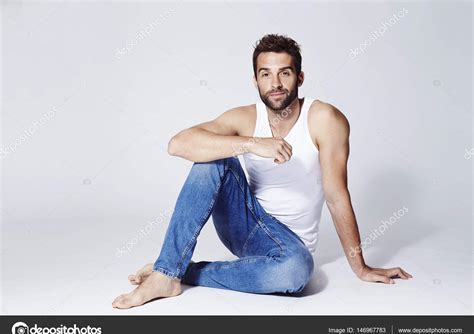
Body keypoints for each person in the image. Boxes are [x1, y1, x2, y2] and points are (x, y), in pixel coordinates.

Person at [112, 33, 412, 309]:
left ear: (300, 77)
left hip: (291, 246)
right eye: (265, 74)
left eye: (285, 72)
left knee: (296, 273)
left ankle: (178, 270)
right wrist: (253, 144)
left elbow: (336, 195)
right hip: (244, 227)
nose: (276, 83)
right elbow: (178, 144)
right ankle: (167, 272)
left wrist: (360, 267)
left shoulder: (324, 119)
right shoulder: (244, 118)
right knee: (213, 159)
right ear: (256, 81)